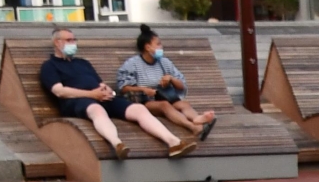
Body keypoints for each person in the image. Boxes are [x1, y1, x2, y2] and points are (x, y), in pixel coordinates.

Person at [39, 26, 190, 160]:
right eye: (68, 40)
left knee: (138, 109)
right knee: (97, 110)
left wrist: (107, 90)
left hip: (101, 96)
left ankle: (173, 142)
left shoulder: (83, 63)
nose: (73, 43)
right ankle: (117, 144)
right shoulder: (49, 66)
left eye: (74, 40)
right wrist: (91, 95)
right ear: (57, 43)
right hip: (77, 101)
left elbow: (100, 83)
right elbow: (59, 91)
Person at [116, 27, 215, 143]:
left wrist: (171, 79)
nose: (161, 48)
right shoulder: (132, 64)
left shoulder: (164, 62)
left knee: (183, 104)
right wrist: (143, 89)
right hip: (145, 101)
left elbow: (181, 85)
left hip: (165, 96)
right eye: (158, 44)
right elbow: (123, 87)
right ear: (148, 47)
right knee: (164, 105)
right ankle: (192, 126)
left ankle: (197, 119)